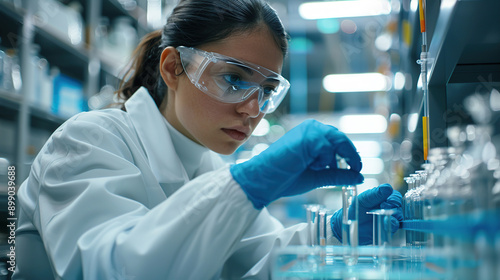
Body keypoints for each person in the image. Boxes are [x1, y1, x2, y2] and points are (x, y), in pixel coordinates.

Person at [14, 0, 403, 279]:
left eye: (267, 90)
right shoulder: (88, 140)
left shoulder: (207, 165)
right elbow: (112, 269)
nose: (253, 110)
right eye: (233, 79)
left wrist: (332, 233)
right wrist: (249, 183)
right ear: (172, 68)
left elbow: (257, 261)